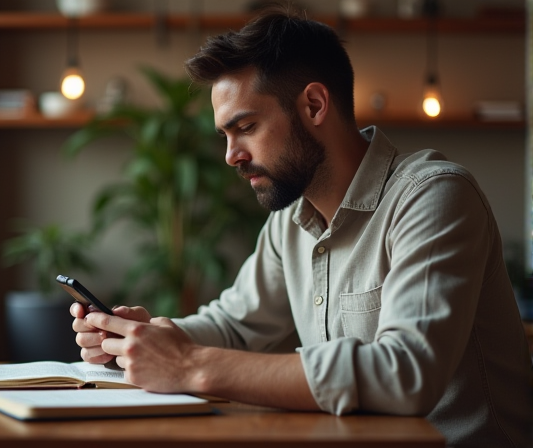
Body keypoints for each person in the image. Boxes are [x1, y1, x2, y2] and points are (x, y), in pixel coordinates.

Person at [70, 7, 532, 447]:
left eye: (246, 126)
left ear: (313, 105)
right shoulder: (289, 222)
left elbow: (406, 373)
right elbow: (233, 326)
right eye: (225, 136)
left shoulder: (433, 197)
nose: (231, 155)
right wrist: (145, 340)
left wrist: (189, 365)